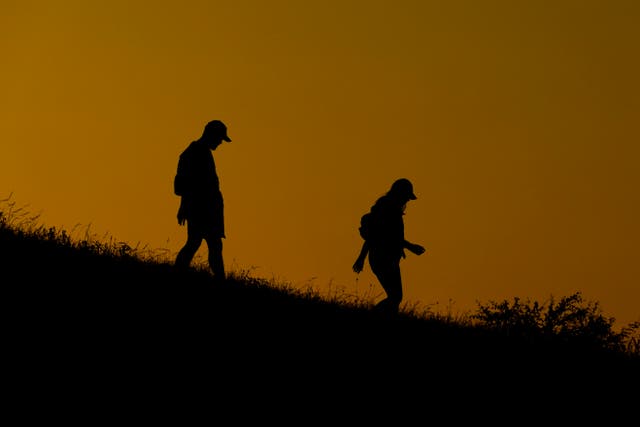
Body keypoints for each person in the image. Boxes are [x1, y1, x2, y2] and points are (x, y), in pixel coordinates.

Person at [352, 178, 426, 314]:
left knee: (395, 298)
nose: (407, 201)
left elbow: (392, 237)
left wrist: (402, 248)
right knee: (395, 297)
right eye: (407, 197)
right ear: (400, 194)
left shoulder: (390, 209)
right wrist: (361, 258)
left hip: (389, 258)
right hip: (381, 258)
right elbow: (377, 235)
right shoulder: (387, 209)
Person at [173, 120, 232, 282]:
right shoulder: (195, 153)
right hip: (203, 208)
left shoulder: (199, 152)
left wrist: (184, 207)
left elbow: (185, 185)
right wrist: (184, 206)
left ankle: (178, 273)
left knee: (197, 242)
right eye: (219, 138)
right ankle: (221, 280)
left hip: (204, 207)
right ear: (211, 135)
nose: (220, 142)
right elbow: (186, 184)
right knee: (211, 244)